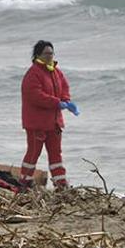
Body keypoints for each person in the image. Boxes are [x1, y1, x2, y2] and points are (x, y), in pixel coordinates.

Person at [20, 40, 79, 189]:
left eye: (51, 53)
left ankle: (61, 184)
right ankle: (24, 181)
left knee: (56, 155)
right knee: (33, 153)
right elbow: (35, 95)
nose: (49, 56)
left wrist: (66, 100)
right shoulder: (33, 73)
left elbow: (64, 87)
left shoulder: (56, 72)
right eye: (46, 53)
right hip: (37, 124)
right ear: (38, 54)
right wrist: (56, 102)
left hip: (54, 123)